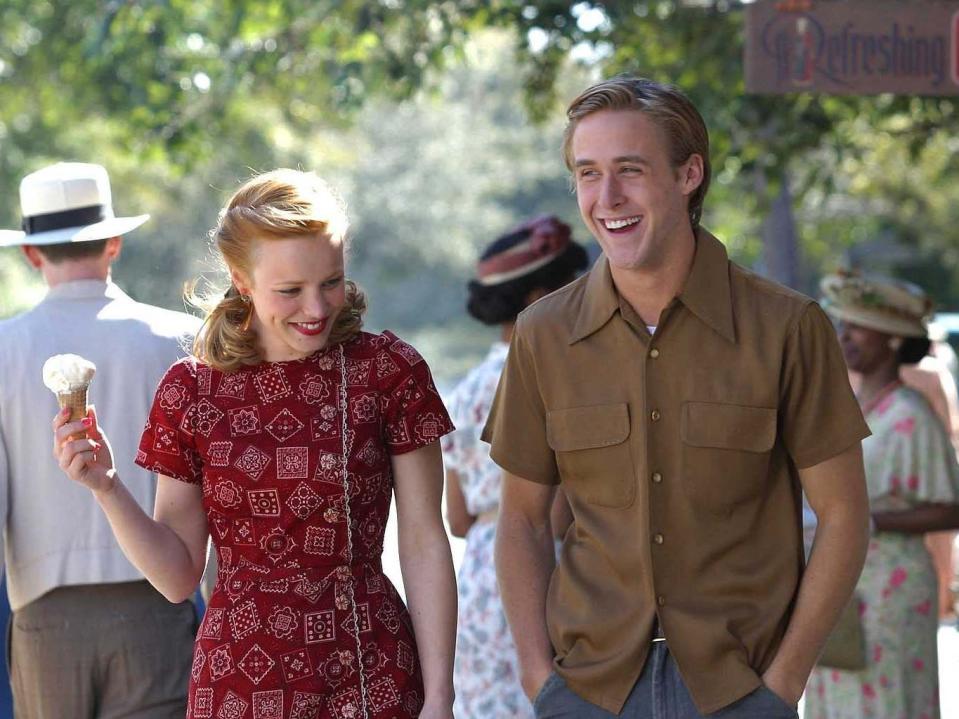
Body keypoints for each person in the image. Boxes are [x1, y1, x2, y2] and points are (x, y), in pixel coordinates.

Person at [483, 75, 872, 718]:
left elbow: (844, 515)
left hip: (739, 691)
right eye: (587, 173)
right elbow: (521, 518)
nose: (606, 198)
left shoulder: (788, 327)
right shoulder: (543, 334)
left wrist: (782, 686)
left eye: (630, 170)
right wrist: (539, 679)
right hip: (587, 693)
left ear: (689, 174)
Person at [52, 169, 458, 719]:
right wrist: (106, 486)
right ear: (241, 280)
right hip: (238, 682)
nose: (316, 308)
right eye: (290, 291)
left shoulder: (389, 371)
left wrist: (440, 697)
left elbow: (425, 541)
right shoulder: (191, 391)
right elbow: (176, 579)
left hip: (371, 675)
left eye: (331, 282)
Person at [0, 162, 200, 718]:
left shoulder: (2, 350)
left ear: (31, 253)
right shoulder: (180, 340)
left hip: (46, 621)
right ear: (114, 242)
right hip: (156, 609)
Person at [442, 215, 586, 718]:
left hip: (479, 582)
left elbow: (456, 519)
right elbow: (558, 512)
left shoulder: (465, 392)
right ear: (539, 298)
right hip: (544, 572)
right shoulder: (561, 379)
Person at [806, 271, 959, 719]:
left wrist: (871, 520)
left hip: (890, 593)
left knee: (886, 700)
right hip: (843, 582)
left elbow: (952, 508)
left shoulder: (910, 415)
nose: (844, 336)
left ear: (892, 339)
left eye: (857, 326)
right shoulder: (853, 405)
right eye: (843, 324)